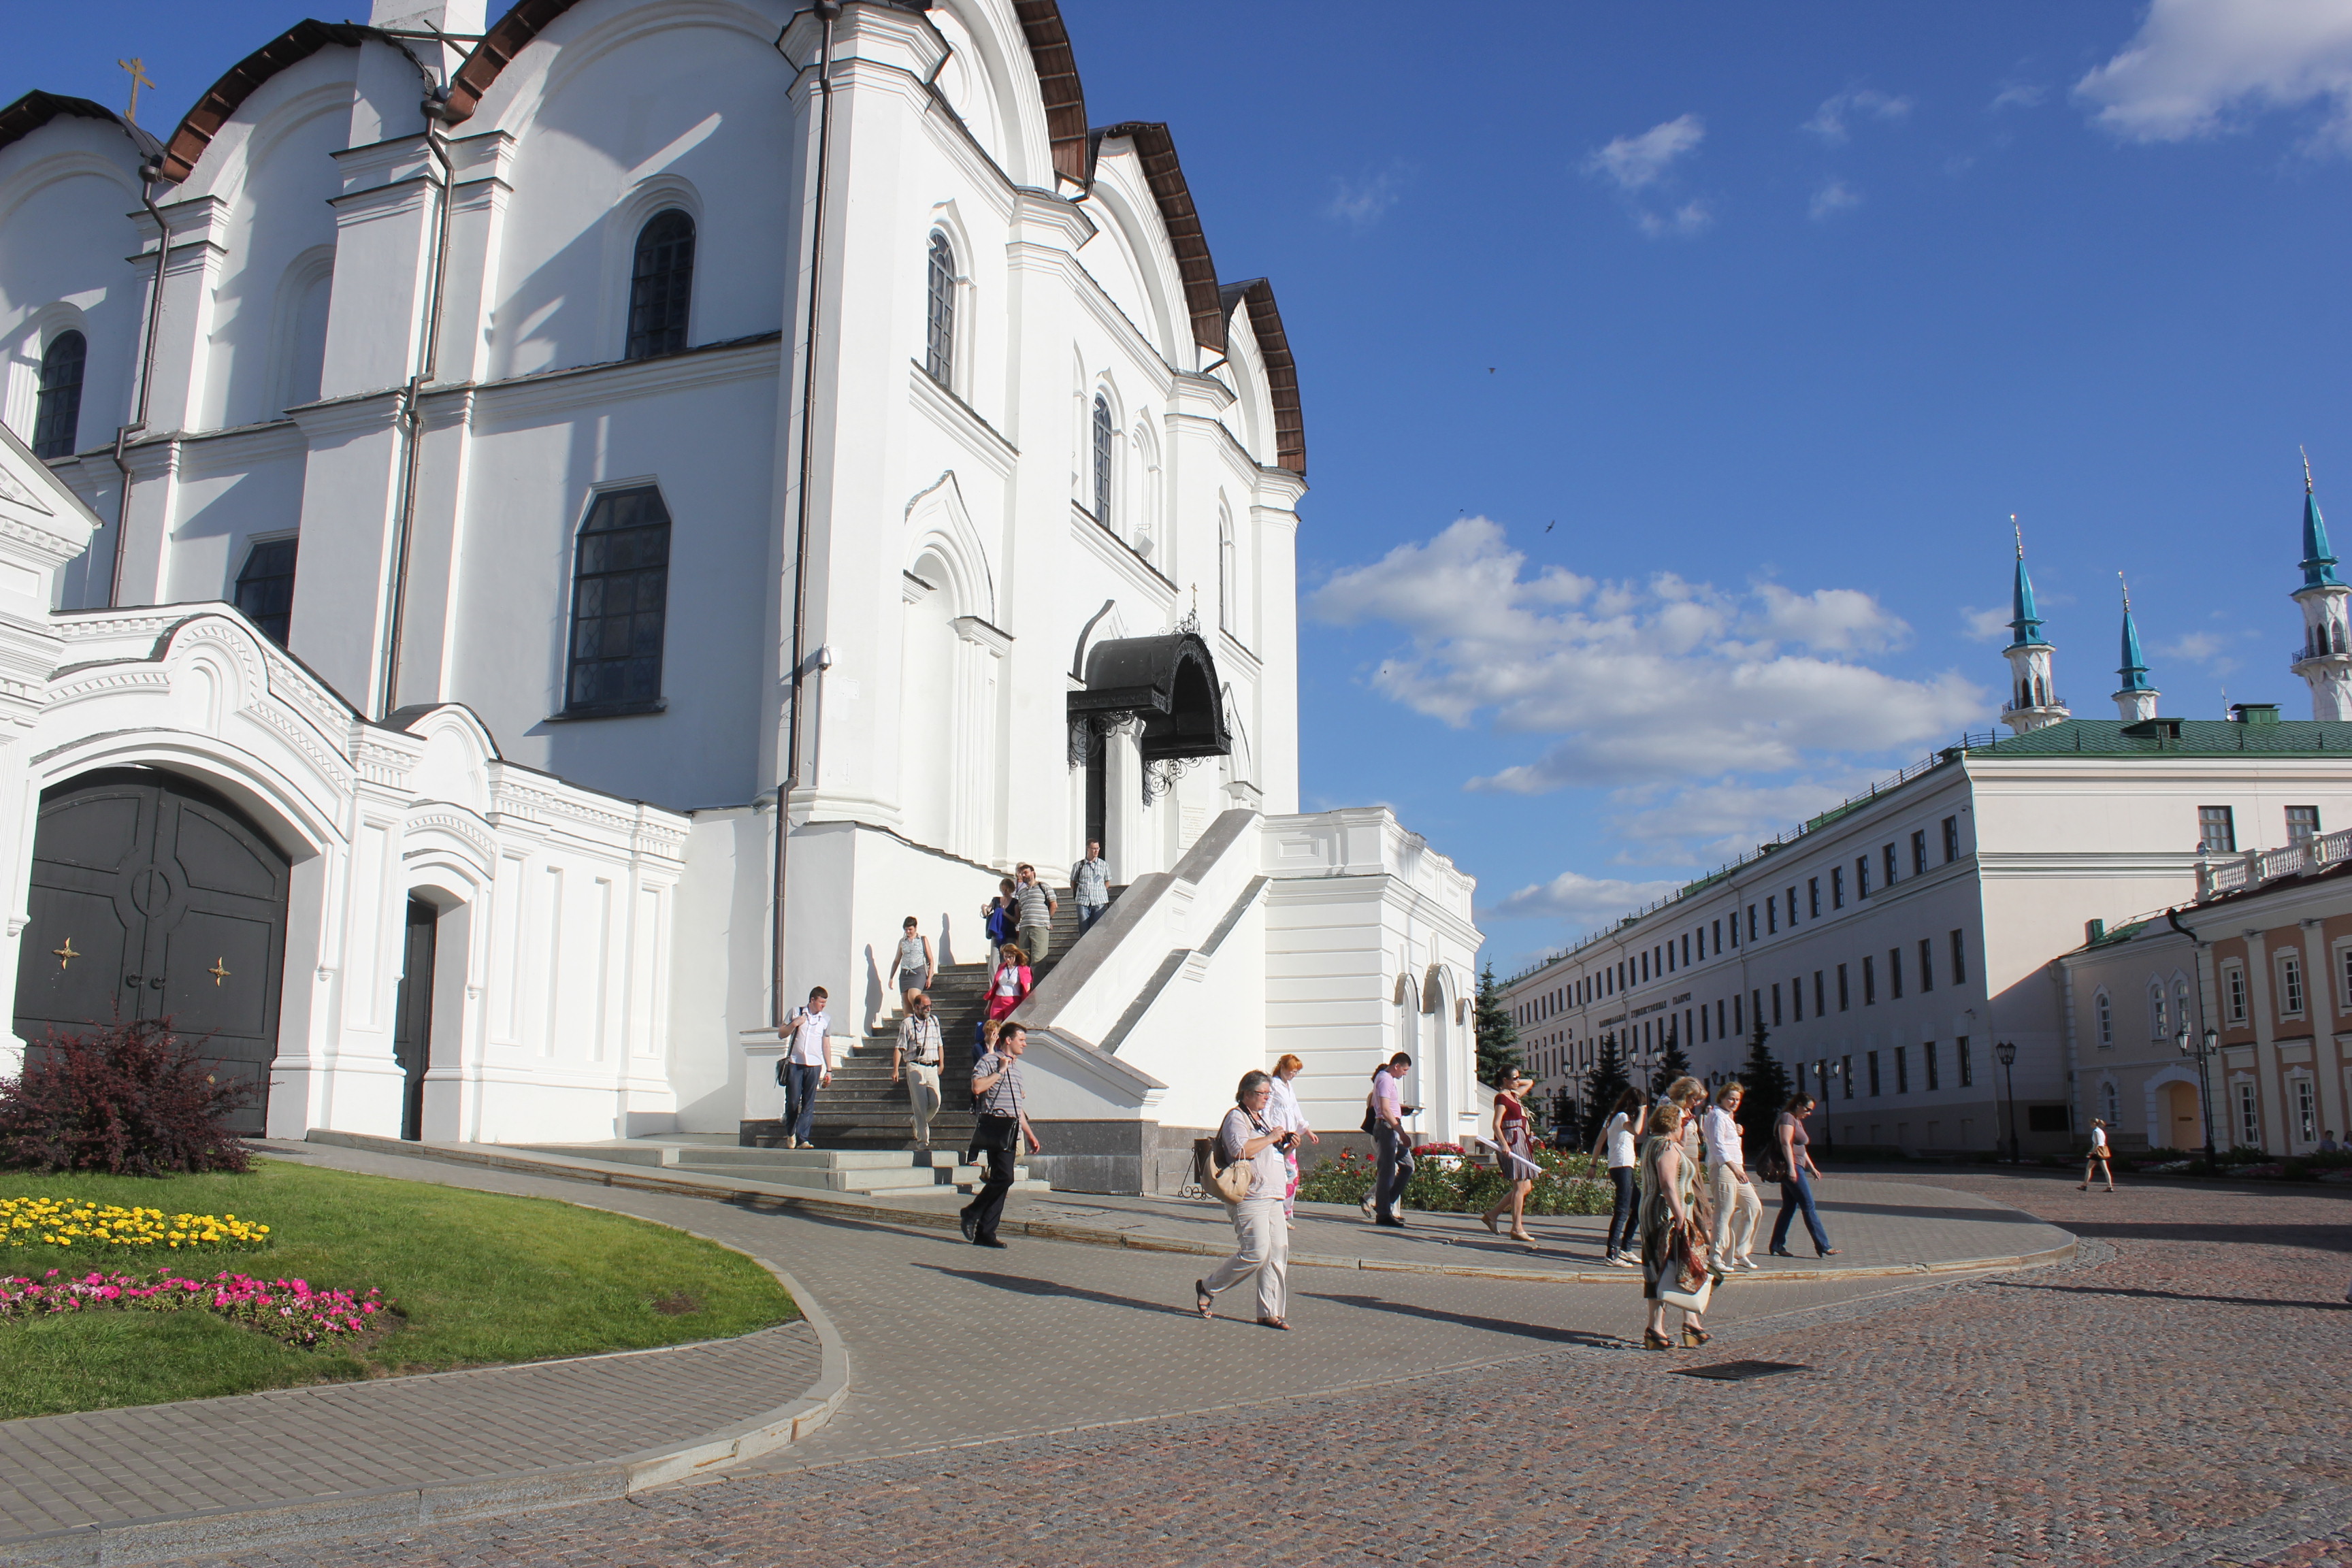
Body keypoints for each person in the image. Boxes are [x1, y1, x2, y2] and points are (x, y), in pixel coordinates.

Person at [1192, 1069, 1296, 1329]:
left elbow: (1269, 1154)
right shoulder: (1237, 1117)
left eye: (1269, 1094)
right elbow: (1240, 1150)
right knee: (1256, 1253)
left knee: (1277, 1254)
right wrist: (1271, 1137)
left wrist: (1287, 1145)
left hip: (1273, 1195)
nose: (1267, 1098)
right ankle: (1208, 1287)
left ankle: (1269, 1312)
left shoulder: (1263, 1118)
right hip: (1249, 1196)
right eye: (1262, 1093)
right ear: (1246, 1094)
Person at [961, 1022, 1043, 1248]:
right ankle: (971, 1212)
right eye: (1021, 1040)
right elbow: (977, 1087)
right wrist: (999, 1071)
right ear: (1008, 1040)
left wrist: (1029, 1134)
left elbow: (1018, 1108)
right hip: (996, 1128)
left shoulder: (1017, 1070)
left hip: (1012, 1131)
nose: (1025, 1044)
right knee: (1005, 1177)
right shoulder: (989, 1061)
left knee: (1003, 1181)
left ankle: (985, 1232)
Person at [1639, 1100, 1710, 1350]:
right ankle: (1656, 1328)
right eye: (1682, 1123)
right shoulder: (1667, 1147)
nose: (1684, 1127)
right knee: (1665, 1268)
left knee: (1679, 1264)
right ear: (1673, 1124)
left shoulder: (1653, 1143)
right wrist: (1680, 1217)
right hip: (1666, 1214)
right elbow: (1668, 1184)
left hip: (1655, 1211)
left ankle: (1690, 1322)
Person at [1703, 1082, 1763, 1271]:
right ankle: (1716, 1256)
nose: (1735, 1102)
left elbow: (1731, 1144)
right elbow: (1717, 1145)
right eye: (1731, 1099)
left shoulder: (1728, 1116)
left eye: (1738, 1100)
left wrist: (1738, 1134)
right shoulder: (1716, 1116)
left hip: (1737, 1168)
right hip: (1724, 1168)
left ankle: (1740, 1252)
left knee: (1753, 1207)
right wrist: (1735, 1169)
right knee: (1724, 1211)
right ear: (1722, 1097)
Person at [1769, 1094, 1836, 1258]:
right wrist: (1792, 1168)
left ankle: (1777, 1245)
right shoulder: (1787, 1118)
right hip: (1792, 1168)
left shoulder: (1796, 1120)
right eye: (1807, 1109)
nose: (1809, 1113)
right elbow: (1785, 1143)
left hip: (1797, 1166)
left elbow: (1801, 1148)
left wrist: (1811, 1167)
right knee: (1808, 1205)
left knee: (1789, 1207)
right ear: (1798, 1105)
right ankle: (1823, 1245)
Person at [1480, 1068, 1541, 1243]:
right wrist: (1505, 1145)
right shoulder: (1502, 1098)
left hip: (1522, 1142)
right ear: (1505, 1080)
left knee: (1526, 1187)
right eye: (1514, 1078)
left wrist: (1515, 1080)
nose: (1518, 1081)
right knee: (1520, 1186)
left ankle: (1492, 1215)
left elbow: (1530, 1083)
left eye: (1518, 1078)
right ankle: (1517, 1228)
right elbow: (1496, 1124)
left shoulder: (1514, 1095)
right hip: (1513, 1143)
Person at [774, 986, 832, 1150]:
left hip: (814, 1065)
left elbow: (826, 1044)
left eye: (825, 1003)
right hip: (795, 1063)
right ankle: (791, 1131)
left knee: (808, 1103)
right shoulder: (796, 1012)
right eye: (821, 1002)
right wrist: (795, 1023)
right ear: (812, 1000)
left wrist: (829, 1069)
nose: (823, 1006)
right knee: (793, 1101)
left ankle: (803, 1139)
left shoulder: (826, 1019)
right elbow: (781, 1033)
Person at [1595, 1086, 1646, 1267]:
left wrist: (1593, 1164)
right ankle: (1612, 1254)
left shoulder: (1613, 1117)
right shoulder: (1623, 1117)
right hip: (1622, 1166)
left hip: (1620, 1166)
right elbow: (1637, 1131)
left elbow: (1599, 1141)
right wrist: (1643, 1111)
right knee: (1622, 1210)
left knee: (1638, 1206)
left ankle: (1625, 1248)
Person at [1267, 1054, 1319, 1222]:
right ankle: (1279, 1212)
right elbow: (1266, 1109)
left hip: (1290, 1136)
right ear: (1282, 1068)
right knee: (1289, 1173)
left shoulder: (1288, 1087)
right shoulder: (1273, 1084)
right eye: (1291, 1071)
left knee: (1290, 1174)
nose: (1293, 1075)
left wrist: (1308, 1131)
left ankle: (1284, 1212)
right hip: (1278, 1135)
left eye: (1296, 1072)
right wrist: (1269, 1129)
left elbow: (1296, 1111)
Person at [892, 990, 944, 1152]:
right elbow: (899, 1047)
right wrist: (895, 1069)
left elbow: (940, 1044)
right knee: (920, 1105)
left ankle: (916, 1121)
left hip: (932, 1066)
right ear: (916, 1007)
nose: (928, 1009)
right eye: (925, 1006)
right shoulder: (907, 1023)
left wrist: (942, 1063)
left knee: (935, 1103)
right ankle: (923, 1141)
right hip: (915, 1066)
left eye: (930, 1006)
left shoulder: (934, 1021)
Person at [1367, 1053, 1413, 1227]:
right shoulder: (1385, 1079)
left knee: (1408, 1166)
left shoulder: (1387, 1079)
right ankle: (1384, 1214)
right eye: (1404, 1070)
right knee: (1386, 1172)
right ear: (1396, 1066)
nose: (1405, 1074)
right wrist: (1401, 1132)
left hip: (1391, 1126)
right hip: (1387, 1128)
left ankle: (1384, 1205)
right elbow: (1385, 1110)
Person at [1012, 863, 1057, 964]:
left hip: (1040, 927)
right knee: (1023, 958)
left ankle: (1036, 976)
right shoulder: (1021, 892)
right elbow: (1020, 909)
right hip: (1024, 927)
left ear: (1033, 873)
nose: (1023, 875)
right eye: (1021, 873)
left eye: (1026, 872)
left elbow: (1054, 905)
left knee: (1038, 958)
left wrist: (1047, 920)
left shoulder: (1043, 886)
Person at [985, 943, 1032, 1030]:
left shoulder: (1024, 969)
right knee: (993, 1028)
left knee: (1009, 1028)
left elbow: (1027, 989)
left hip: (1012, 1001)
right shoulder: (1001, 967)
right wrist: (989, 1004)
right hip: (998, 1000)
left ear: (1015, 955)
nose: (1008, 959)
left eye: (1010, 957)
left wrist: (1026, 1005)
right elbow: (995, 986)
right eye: (1005, 957)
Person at [889, 916, 934, 1004]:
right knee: (906, 1003)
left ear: (915, 928)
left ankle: (923, 1012)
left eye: (910, 929)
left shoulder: (922, 940)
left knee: (913, 997)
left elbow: (931, 959)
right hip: (905, 974)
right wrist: (891, 977)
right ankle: (912, 1014)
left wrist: (929, 977)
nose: (908, 932)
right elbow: (897, 961)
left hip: (918, 972)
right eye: (906, 930)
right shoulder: (902, 942)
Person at [1071, 840, 1111, 936]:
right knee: (1084, 930)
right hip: (1083, 901)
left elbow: (1107, 881)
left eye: (1098, 848)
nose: (1096, 851)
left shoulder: (1104, 865)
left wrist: (1100, 891)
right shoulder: (1078, 865)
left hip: (1099, 901)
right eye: (1094, 849)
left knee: (1098, 930)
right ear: (1087, 849)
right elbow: (1073, 882)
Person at [983, 878, 1018, 964]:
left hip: (1009, 933)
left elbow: (1017, 920)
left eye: (1006, 890)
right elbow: (986, 913)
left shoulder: (1015, 902)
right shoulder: (996, 900)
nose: (1004, 892)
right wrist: (983, 908)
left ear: (1011, 889)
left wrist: (1006, 914)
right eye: (1003, 890)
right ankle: (995, 973)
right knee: (994, 958)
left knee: (1008, 957)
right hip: (996, 932)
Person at [2080, 1117, 2116, 1192]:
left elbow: (2096, 1144)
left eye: (2091, 1123)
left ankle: (2085, 1185)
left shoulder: (2096, 1131)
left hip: (2097, 1152)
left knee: (2089, 1168)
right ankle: (2110, 1186)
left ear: (2094, 1123)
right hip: (2102, 1151)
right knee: (2106, 1170)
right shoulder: (2101, 1131)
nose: (2090, 1125)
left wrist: (2091, 1152)